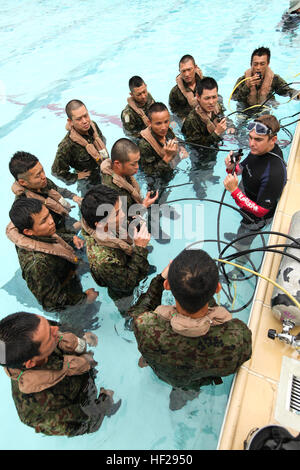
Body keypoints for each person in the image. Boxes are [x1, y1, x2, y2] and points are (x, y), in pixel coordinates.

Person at [128, 249, 252, 410]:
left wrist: (158, 281)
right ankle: (181, 398)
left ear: (168, 286)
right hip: (195, 379)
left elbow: (137, 312)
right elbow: (235, 364)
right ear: (218, 288)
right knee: (188, 388)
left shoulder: (146, 326)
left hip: (163, 369)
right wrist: (203, 291)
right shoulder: (236, 338)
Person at [0, 312, 121, 436]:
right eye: (49, 336)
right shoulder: (37, 412)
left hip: (79, 369)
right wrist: (105, 401)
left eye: (47, 324)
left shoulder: (32, 329)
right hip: (83, 397)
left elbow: (56, 327)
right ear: (31, 363)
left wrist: (81, 336)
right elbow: (85, 425)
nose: (55, 329)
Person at [6, 198, 99, 325]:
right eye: (44, 221)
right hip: (67, 298)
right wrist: (84, 299)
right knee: (74, 324)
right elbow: (51, 303)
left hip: (65, 272)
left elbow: (51, 239)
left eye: (48, 215)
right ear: (28, 232)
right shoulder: (37, 265)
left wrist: (71, 238)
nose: (51, 222)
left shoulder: (33, 234)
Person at [223, 114, 287, 272]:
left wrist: (235, 192)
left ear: (273, 140)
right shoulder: (258, 150)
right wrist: (232, 167)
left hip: (256, 217)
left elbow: (262, 211)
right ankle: (240, 237)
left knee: (242, 244)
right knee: (241, 233)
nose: (251, 144)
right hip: (247, 199)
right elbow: (244, 169)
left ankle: (238, 270)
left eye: (258, 139)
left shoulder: (275, 171)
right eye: (250, 138)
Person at [80, 185, 151, 314]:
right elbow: (127, 284)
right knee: (128, 308)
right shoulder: (104, 260)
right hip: (122, 289)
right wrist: (140, 249)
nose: (124, 214)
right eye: (118, 213)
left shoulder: (101, 222)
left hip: (127, 262)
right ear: (100, 224)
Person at [9, 151, 82, 234]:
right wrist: (72, 235)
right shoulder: (26, 206)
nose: (44, 176)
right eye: (38, 175)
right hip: (57, 234)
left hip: (63, 218)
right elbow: (43, 236)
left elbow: (57, 190)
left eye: (42, 170)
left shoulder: (42, 181)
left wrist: (73, 196)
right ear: (22, 182)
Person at [51, 99, 109, 196]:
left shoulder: (93, 126)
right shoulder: (67, 146)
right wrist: (76, 176)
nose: (85, 121)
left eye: (86, 115)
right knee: (90, 207)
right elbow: (56, 171)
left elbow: (102, 142)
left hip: (104, 170)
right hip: (89, 183)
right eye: (79, 119)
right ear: (70, 121)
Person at [101, 137, 158, 212]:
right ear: (118, 164)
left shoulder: (121, 173)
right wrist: (144, 206)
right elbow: (123, 221)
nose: (137, 167)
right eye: (133, 164)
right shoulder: (113, 193)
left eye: (137, 162)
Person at [231, 47, 300, 109]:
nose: (258, 68)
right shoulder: (242, 80)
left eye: (262, 64)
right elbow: (234, 98)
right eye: (255, 64)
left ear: (268, 64)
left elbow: (287, 91)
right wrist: (247, 87)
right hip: (245, 109)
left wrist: (297, 95)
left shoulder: (275, 79)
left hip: (265, 108)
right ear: (251, 64)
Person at [182, 77, 235, 149]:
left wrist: (230, 126)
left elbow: (223, 117)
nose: (211, 102)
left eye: (214, 97)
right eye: (207, 98)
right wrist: (216, 133)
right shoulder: (192, 120)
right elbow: (196, 146)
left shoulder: (216, 107)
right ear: (198, 97)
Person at [169, 54, 204, 121]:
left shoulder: (206, 83)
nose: (187, 74)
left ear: (195, 67)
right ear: (179, 71)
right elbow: (173, 111)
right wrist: (182, 118)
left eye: (189, 69)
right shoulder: (175, 92)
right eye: (183, 71)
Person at [121, 76, 155, 140]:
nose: (143, 96)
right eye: (139, 94)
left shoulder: (148, 97)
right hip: (141, 137)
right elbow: (130, 134)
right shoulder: (128, 113)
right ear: (131, 94)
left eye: (144, 91)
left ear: (146, 86)